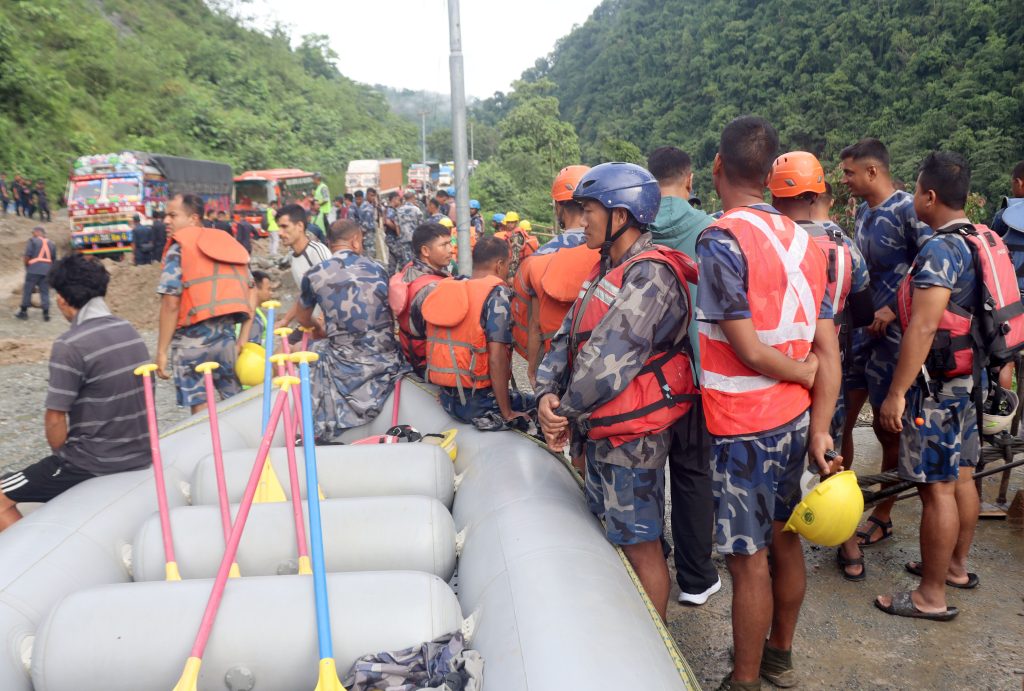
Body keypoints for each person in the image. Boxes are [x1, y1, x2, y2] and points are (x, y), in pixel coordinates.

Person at [695, 117, 840, 690]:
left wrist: (798, 370)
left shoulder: (721, 238)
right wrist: (822, 423)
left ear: (718, 167)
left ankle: (746, 680)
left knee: (747, 559)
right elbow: (829, 348)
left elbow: (748, 347)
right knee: (785, 537)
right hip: (795, 421)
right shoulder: (808, 241)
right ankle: (779, 655)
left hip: (741, 427)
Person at [535, 162, 700, 623]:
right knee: (616, 532)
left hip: (633, 441)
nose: (581, 219)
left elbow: (610, 358)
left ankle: (654, 647)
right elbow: (568, 338)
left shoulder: (649, 276)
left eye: (589, 210)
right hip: (600, 428)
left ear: (621, 216)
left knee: (640, 542)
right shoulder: (606, 268)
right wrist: (546, 392)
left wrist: (561, 411)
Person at [875, 152, 985, 622]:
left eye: (917, 191)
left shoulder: (943, 249)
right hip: (967, 381)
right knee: (961, 476)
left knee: (935, 491)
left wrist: (897, 393)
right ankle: (955, 567)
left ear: (930, 196)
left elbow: (922, 327)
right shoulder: (983, 236)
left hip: (937, 389)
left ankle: (931, 596)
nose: (914, 198)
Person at [770, 155, 873, 581]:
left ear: (773, 194)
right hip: (832, 362)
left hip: (777, 368)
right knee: (829, 448)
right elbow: (865, 310)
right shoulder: (842, 244)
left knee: (775, 461)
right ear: (816, 196)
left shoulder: (769, 240)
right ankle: (849, 549)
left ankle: (773, 541)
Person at [0, 255, 151, 531]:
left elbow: (56, 419)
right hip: (140, 453)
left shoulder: (70, 344)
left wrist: (62, 458)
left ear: (61, 299)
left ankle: (31, 557)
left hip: (94, 460)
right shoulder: (128, 329)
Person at [840, 138, 932, 549]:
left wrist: (895, 309)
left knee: (885, 426)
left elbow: (932, 268)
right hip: (858, 335)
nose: (844, 180)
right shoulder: (862, 211)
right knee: (840, 416)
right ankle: (838, 504)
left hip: (891, 341)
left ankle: (883, 511)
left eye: (849, 172)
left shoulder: (907, 212)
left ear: (872, 171)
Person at [646, 146, 722, 606]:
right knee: (694, 474)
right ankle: (696, 578)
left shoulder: (632, 229)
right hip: (695, 376)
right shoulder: (710, 232)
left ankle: (651, 558)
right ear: (690, 180)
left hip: (643, 382)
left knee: (646, 472)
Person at [296, 219, 408, 442]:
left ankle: (311, 431)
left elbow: (302, 318)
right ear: (356, 241)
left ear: (329, 243)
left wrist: (319, 328)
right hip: (384, 357)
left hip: (345, 361)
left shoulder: (315, 274)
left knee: (312, 350)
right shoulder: (377, 267)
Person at [423, 236, 533, 431]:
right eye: (507, 265)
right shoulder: (497, 294)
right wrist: (507, 413)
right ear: (499, 265)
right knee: (538, 404)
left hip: (448, 399)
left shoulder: (450, 288)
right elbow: (496, 359)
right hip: (478, 404)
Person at [156, 193, 252, 414]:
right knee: (234, 403)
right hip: (226, 341)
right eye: (165, 216)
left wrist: (161, 350)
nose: (166, 221)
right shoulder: (225, 242)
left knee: (200, 410)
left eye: (172, 215)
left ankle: (209, 447)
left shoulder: (178, 248)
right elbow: (251, 290)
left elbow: (171, 302)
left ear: (193, 218)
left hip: (191, 343)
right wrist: (243, 338)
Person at [510, 165, 594, 387]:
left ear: (558, 207)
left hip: (556, 361)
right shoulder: (610, 251)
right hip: (598, 359)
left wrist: (532, 369)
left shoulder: (543, 256)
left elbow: (536, 323)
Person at [391, 222, 453, 378]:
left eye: (450, 243)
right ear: (425, 251)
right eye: (444, 245)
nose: (450, 250)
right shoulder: (432, 289)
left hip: (412, 357)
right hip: (430, 366)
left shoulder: (410, 269)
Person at [276, 203, 332, 330]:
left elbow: (335, 288)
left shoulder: (317, 251)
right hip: (310, 324)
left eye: (285, 227)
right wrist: (285, 320)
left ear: (300, 226)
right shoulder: (292, 257)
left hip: (327, 325)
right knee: (280, 349)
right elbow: (304, 296)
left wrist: (322, 323)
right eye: (279, 227)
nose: (280, 233)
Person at [17, 226, 57, 321]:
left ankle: (23, 312)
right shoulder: (52, 243)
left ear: (38, 232)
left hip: (33, 270)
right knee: (45, 292)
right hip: (47, 271)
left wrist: (27, 267)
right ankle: (46, 314)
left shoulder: (32, 241)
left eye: (33, 232)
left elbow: (27, 256)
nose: (32, 234)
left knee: (28, 290)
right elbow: (53, 260)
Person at [989, 160, 1024, 236]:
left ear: (1019, 183)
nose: (1011, 189)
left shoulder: (1003, 216)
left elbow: (994, 243)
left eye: (1013, 184)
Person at [395, 190, 423, 269]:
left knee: (406, 262)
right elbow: (421, 226)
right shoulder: (416, 210)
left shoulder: (399, 210)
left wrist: (400, 236)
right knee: (416, 261)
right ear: (413, 198)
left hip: (403, 239)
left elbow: (397, 226)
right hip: (415, 239)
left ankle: (407, 278)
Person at [383, 192, 404, 274]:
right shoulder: (391, 210)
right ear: (394, 199)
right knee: (401, 258)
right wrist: (397, 229)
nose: (399, 202)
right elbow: (388, 222)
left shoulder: (389, 209)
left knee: (392, 261)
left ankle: (390, 278)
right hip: (392, 238)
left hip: (391, 238)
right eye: (398, 199)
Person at [357, 188, 380, 261]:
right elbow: (365, 225)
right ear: (367, 195)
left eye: (374, 196)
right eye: (371, 195)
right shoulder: (368, 207)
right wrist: (362, 237)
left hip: (366, 236)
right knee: (370, 257)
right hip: (368, 236)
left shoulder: (364, 205)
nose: (373, 198)